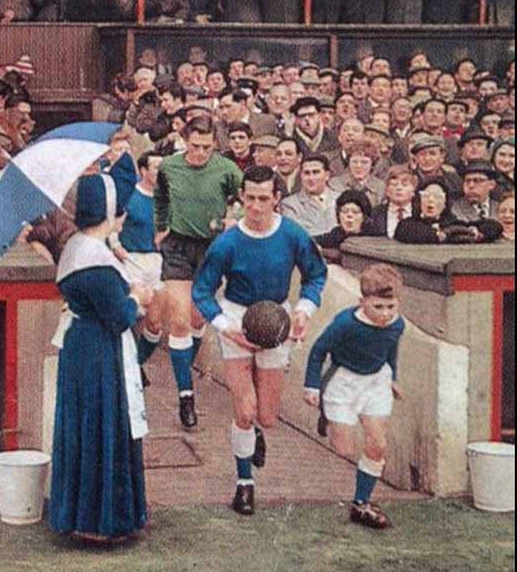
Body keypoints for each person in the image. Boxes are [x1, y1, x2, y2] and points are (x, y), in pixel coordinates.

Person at [192, 165, 328, 517]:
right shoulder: (227, 242)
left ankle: (255, 433)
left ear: (277, 199)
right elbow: (202, 291)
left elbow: (316, 274)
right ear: (241, 197)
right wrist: (225, 326)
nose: (255, 206)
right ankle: (244, 483)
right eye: (249, 198)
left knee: (266, 417)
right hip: (238, 318)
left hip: (277, 319)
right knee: (244, 409)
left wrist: (303, 311)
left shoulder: (293, 235)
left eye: (263, 199)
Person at [49, 160, 153, 543]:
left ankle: (81, 514)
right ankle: (102, 520)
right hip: (99, 350)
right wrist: (136, 297)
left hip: (82, 344)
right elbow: (119, 315)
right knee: (104, 426)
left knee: (84, 428)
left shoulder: (80, 247)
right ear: (110, 213)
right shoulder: (94, 261)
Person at [154, 115, 243, 429]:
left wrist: (235, 217)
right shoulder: (169, 166)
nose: (200, 153)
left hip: (211, 248)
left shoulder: (227, 170)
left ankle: (187, 363)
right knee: (178, 319)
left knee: (195, 319)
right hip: (177, 246)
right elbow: (161, 197)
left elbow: (244, 198)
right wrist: (161, 227)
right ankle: (185, 394)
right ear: (184, 141)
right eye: (195, 146)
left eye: (206, 147)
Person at [304, 264, 406, 530]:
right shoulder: (346, 323)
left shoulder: (398, 324)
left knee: (378, 445)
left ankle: (361, 503)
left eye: (391, 307)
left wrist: (393, 377)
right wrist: (312, 386)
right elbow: (318, 351)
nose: (385, 314)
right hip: (343, 381)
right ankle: (327, 415)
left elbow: (390, 349)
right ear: (363, 302)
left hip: (375, 381)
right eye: (378, 307)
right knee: (344, 449)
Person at [111, 152, 166, 385]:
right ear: (143, 171)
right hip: (132, 259)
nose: (160, 173)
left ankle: (137, 361)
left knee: (154, 321)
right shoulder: (130, 196)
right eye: (155, 168)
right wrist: (116, 247)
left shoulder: (167, 198)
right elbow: (113, 224)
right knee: (133, 313)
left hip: (157, 261)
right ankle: (127, 367)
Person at [395, 176, 502, 244]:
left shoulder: (454, 223)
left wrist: (475, 232)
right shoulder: (408, 224)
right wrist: (442, 235)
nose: (430, 200)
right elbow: (406, 231)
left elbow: (494, 226)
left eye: (437, 197)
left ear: (445, 203)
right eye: (426, 196)